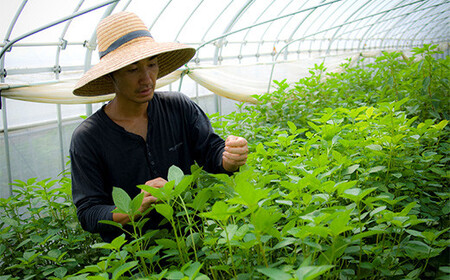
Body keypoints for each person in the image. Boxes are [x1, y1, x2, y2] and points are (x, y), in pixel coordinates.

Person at [70, 11, 248, 242]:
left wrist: (229, 156)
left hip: (190, 246)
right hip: (134, 258)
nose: (147, 78)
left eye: (152, 65)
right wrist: (132, 208)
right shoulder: (89, 137)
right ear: (111, 75)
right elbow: (88, 212)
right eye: (133, 69)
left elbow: (211, 151)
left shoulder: (178, 107)